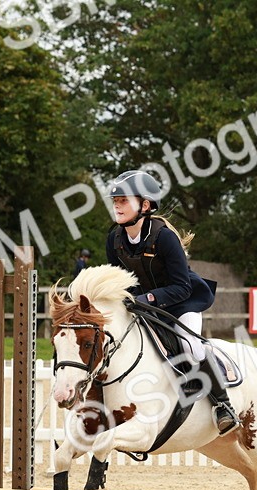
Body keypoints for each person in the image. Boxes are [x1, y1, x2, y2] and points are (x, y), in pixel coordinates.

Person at [104, 169, 239, 435]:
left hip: (182, 302)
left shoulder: (165, 237)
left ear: (145, 205)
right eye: (115, 201)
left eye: (124, 200)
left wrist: (144, 299)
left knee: (192, 347)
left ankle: (223, 406)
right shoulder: (115, 239)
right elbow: (116, 279)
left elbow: (181, 286)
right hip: (143, 306)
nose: (117, 206)